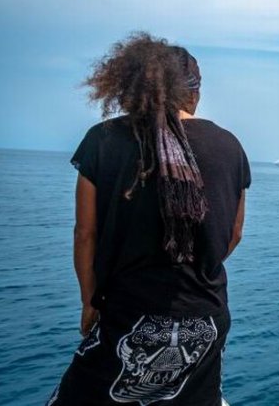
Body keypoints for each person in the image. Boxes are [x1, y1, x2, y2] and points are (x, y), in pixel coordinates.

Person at [47, 33, 251, 406]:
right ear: (194, 92)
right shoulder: (230, 146)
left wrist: (88, 301)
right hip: (205, 318)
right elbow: (233, 235)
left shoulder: (103, 139)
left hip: (128, 316)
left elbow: (85, 234)